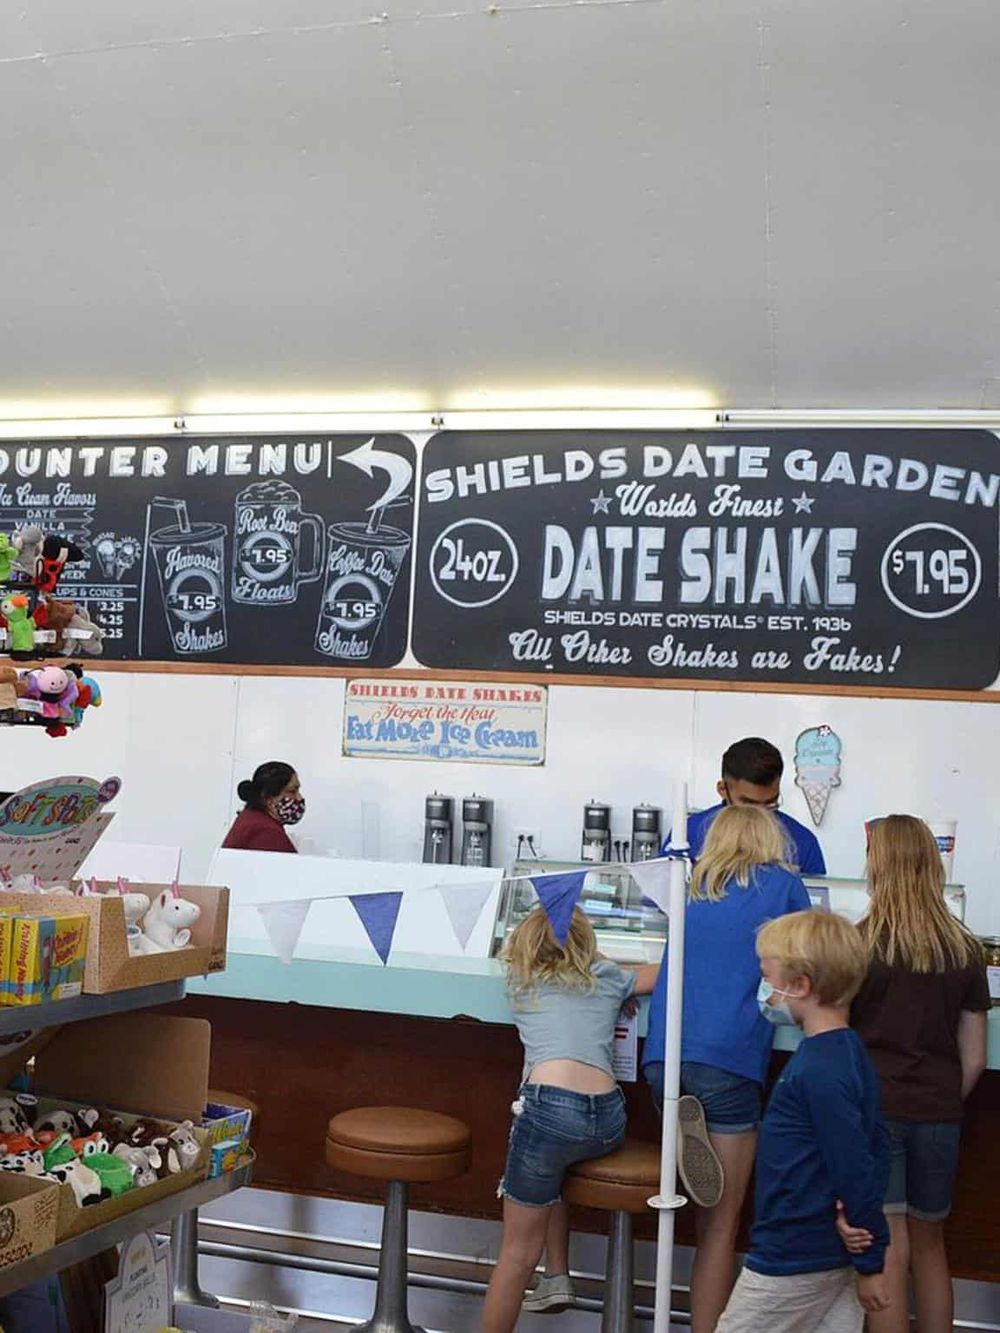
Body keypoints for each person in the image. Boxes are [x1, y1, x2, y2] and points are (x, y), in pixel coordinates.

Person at [643, 806, 812, 1332]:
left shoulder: (688, 884)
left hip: (663, 1057)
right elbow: (807, 966)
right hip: (731, 1057)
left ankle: (685, 1116)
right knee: (720, 1226)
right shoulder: (783, 886)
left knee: (694, 1212)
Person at [840, 815, 988, 1333]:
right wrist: (944, 1097)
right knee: (931, 1245)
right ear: (932, 866)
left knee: (888, 1246)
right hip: (939, 1114)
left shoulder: (858, 945)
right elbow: (973, 1058)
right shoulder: (965, 949)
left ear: (876, 867)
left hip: (877, 1112)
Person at [481, 906, 658, 1330]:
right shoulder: (608, 979)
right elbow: (665, 970)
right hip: (607, 1120)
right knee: (554, 1165)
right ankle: (557, 1275)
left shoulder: (520, 980)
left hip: (547, 1112)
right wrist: (616, 978)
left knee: (517, 1255)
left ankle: (546, 1273)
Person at [716, 910, 890, 1333]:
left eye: (767, 975)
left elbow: (855, 1161)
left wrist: (871, 1258)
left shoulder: (820, 1070)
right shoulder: (847, 1055)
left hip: (793, 1253)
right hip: (827, 1252)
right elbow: (876, 1146)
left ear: (800, 985)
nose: (764, 989)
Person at [666, 737, 826, 874]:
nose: (761, 815)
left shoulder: (803, 842)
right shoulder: (687, 834)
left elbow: (816, 908)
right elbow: (658, 901)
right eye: (749, 805)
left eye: (770, 803)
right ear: (723, 789)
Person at [222, 762, 305, 853]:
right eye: (292, 791)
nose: (299, 798)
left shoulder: (251, 818)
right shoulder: (266, 832)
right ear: (268, 798)